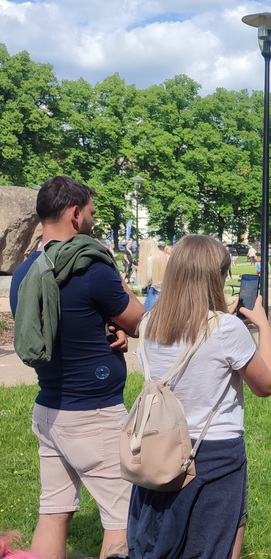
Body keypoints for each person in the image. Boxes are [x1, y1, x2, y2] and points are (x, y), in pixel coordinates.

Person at [10, 176, 144, 559]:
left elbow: (67, 324)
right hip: (93, 415)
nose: (92, 220)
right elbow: (139, 321)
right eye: (90, 213)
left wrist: (107, 327)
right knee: (121, 519)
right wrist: (121, 292)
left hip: (49, 409)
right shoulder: (90, 267)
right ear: (74, 213)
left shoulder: (25, 273)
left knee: (53, 513)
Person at [127, 235, 271, 559]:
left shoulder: (149, 323)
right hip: (214, 452)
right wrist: (263, 326)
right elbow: (265, 385)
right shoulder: (226, 329)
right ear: (216, 276)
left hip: (158, 445)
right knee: (216, 543)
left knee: (164, 541)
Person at [138, 238, 168, 310]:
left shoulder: (150, 259)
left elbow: (149, 276)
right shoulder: (162, 256)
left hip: (155, 290)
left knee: (146, 314)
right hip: (164, 289)